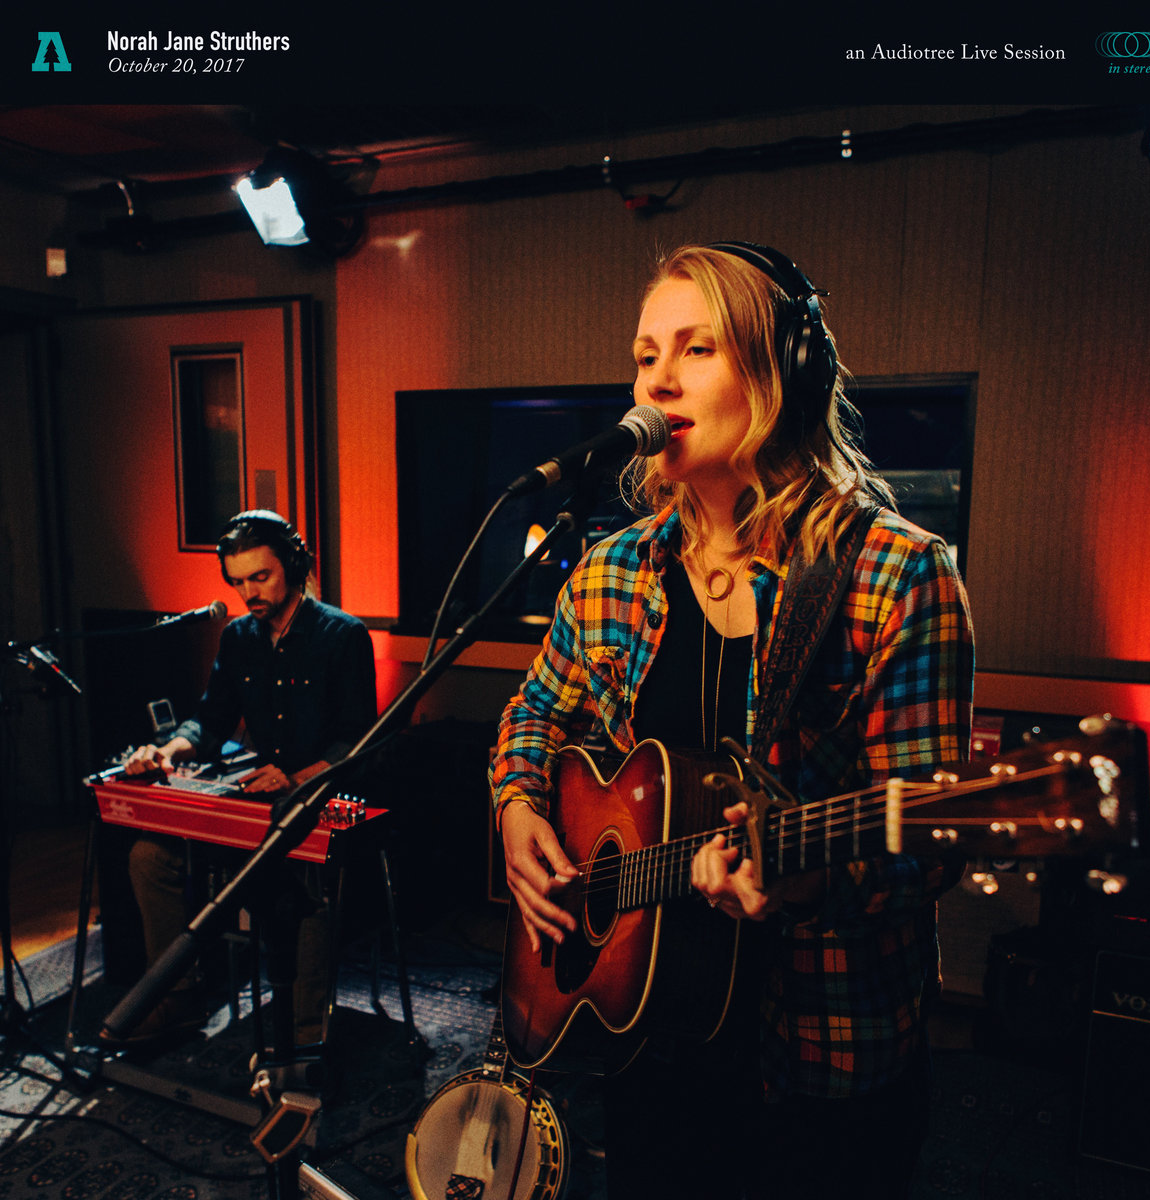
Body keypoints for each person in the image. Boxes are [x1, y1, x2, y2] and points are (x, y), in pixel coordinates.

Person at [492, 243, 974, 1199]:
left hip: (819, 1056)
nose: (658, 380)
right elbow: (533, 712)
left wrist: (802, 881)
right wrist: (517, 808)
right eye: (645, 356)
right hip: (645, 1035)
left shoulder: (896, 575)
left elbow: (930, 840)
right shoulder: (611, 570)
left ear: (781, 372)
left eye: (696, 348)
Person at [114, 509, 378, 1047]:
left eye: (260, 577)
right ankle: (179, 999)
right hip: (257, 804)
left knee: (304, 874)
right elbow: (209, 721)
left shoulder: (344, 635)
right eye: (237, 582)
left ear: (294, 567)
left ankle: (303, 1036)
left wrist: (296, 778)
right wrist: (166, 751)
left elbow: (357, 743)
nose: (248, 592)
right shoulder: (238, 638)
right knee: (150, 857)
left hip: (317, 801)